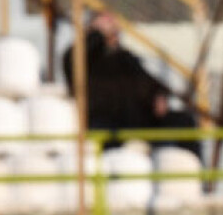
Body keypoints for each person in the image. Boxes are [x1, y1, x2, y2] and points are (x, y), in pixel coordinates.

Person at [62, 11, 162, 139]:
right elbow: (74, 58)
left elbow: (146, 81)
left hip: (133, 121)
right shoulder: (82, 58)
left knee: (180, 120)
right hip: (101, 121)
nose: (112, 29)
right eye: (105, 24)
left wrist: (158, 94)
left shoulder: (125, 58)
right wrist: (98, 33)